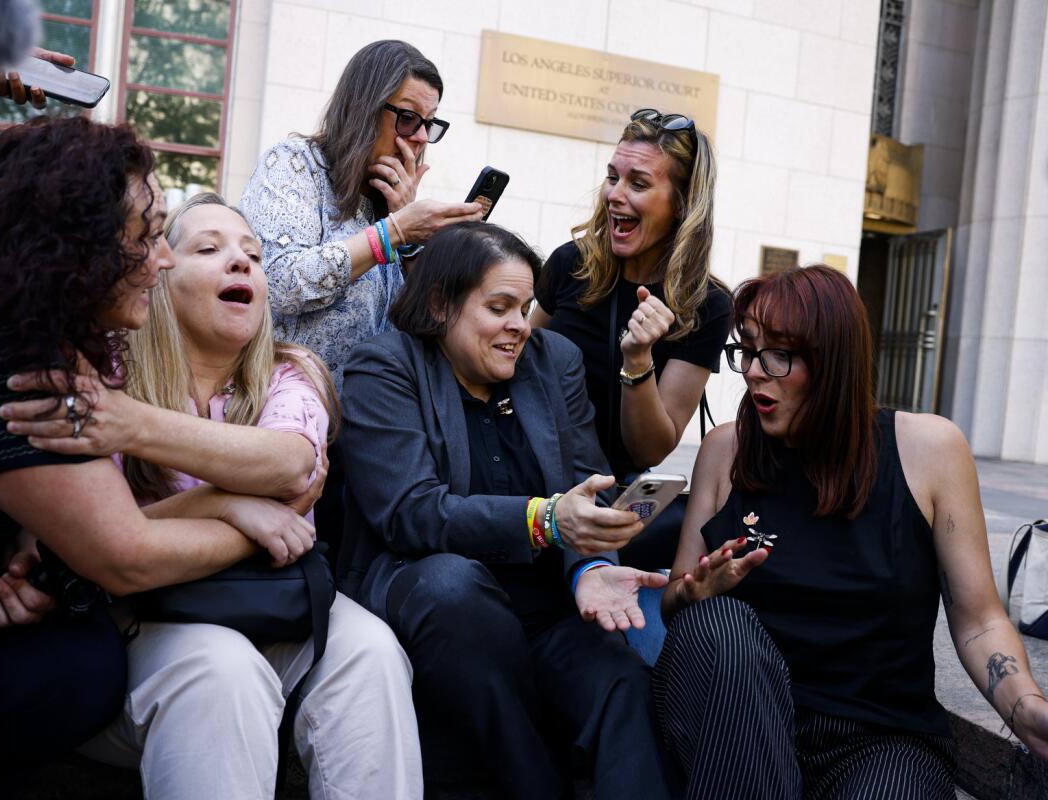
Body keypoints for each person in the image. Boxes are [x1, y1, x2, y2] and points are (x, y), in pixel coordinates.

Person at [0, 117, 273, 798]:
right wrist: (242, 515)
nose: (163, 260)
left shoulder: (29, 326)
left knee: (80, 670)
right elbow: (125, 555)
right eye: (146, 236)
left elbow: (76, 525)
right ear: (75, 247)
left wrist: (17, 559)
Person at [0, 192, 422, 800]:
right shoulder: (107, 373)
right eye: (208, 248)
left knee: (372, 651)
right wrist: (229, 503)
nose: (241, 261)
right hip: (140, 620)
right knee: (222, 668)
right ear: (161, 277)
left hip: (273, 598)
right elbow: (91, 541)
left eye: (253, 254)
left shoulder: (288, 371)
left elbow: (290, 464)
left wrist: (131, 425)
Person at [655, 265, 1048, 799]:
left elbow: (978, 619)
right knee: (718, 622)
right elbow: (675, 604)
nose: (752, 372)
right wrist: (696, 591)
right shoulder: (726, 450)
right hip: (744, 727)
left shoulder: (929, 450)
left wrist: (1025, 706)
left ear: (832, 360)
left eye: (777, 355)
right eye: (747, 350)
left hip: (880, 739)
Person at [338, 222, 675, 799]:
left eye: (524, 307)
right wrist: (544, 519)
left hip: (546, 605)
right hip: (435, 598)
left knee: (618, 680)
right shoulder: (386, 366)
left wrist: (592, 565)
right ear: (440, 305)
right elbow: (412, 512)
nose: (519, 325)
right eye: (498, 308)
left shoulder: (553, 361)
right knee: (453, 587)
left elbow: (587, 487)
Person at [242, 38, 485, 390]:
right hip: (286, 405)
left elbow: (427, 323)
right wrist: (394, 231)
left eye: (429, 123)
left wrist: (412, 243)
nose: (420, 137)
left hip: (369, 413)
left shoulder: (392, 201)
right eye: (408, 118)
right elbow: (280, 284)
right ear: (364, 109)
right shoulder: (294, 162)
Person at [532, 109, 731, 484]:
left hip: (605, 493)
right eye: (613, 177)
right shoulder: (570, 263)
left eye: (638, 184)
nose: (614, 195)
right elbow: (519, 363)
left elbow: (649, 451)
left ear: (682, 203)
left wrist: (638, 360)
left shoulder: (705, 304)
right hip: (528, 479)